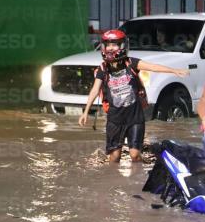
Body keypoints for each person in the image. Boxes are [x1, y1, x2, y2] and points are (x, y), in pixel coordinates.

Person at [78, 29, 189, 163]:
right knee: (114, 158)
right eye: (108, 45)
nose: (111, 48)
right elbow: (95, 90)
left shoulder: (131, 63)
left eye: (115, 44)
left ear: (123, 46)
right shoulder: (103, 69)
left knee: (135, 156)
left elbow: (153, 67)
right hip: (115, 120)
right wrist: (85, 111)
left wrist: (174, 71)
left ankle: (144, 167)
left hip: (135, 118)